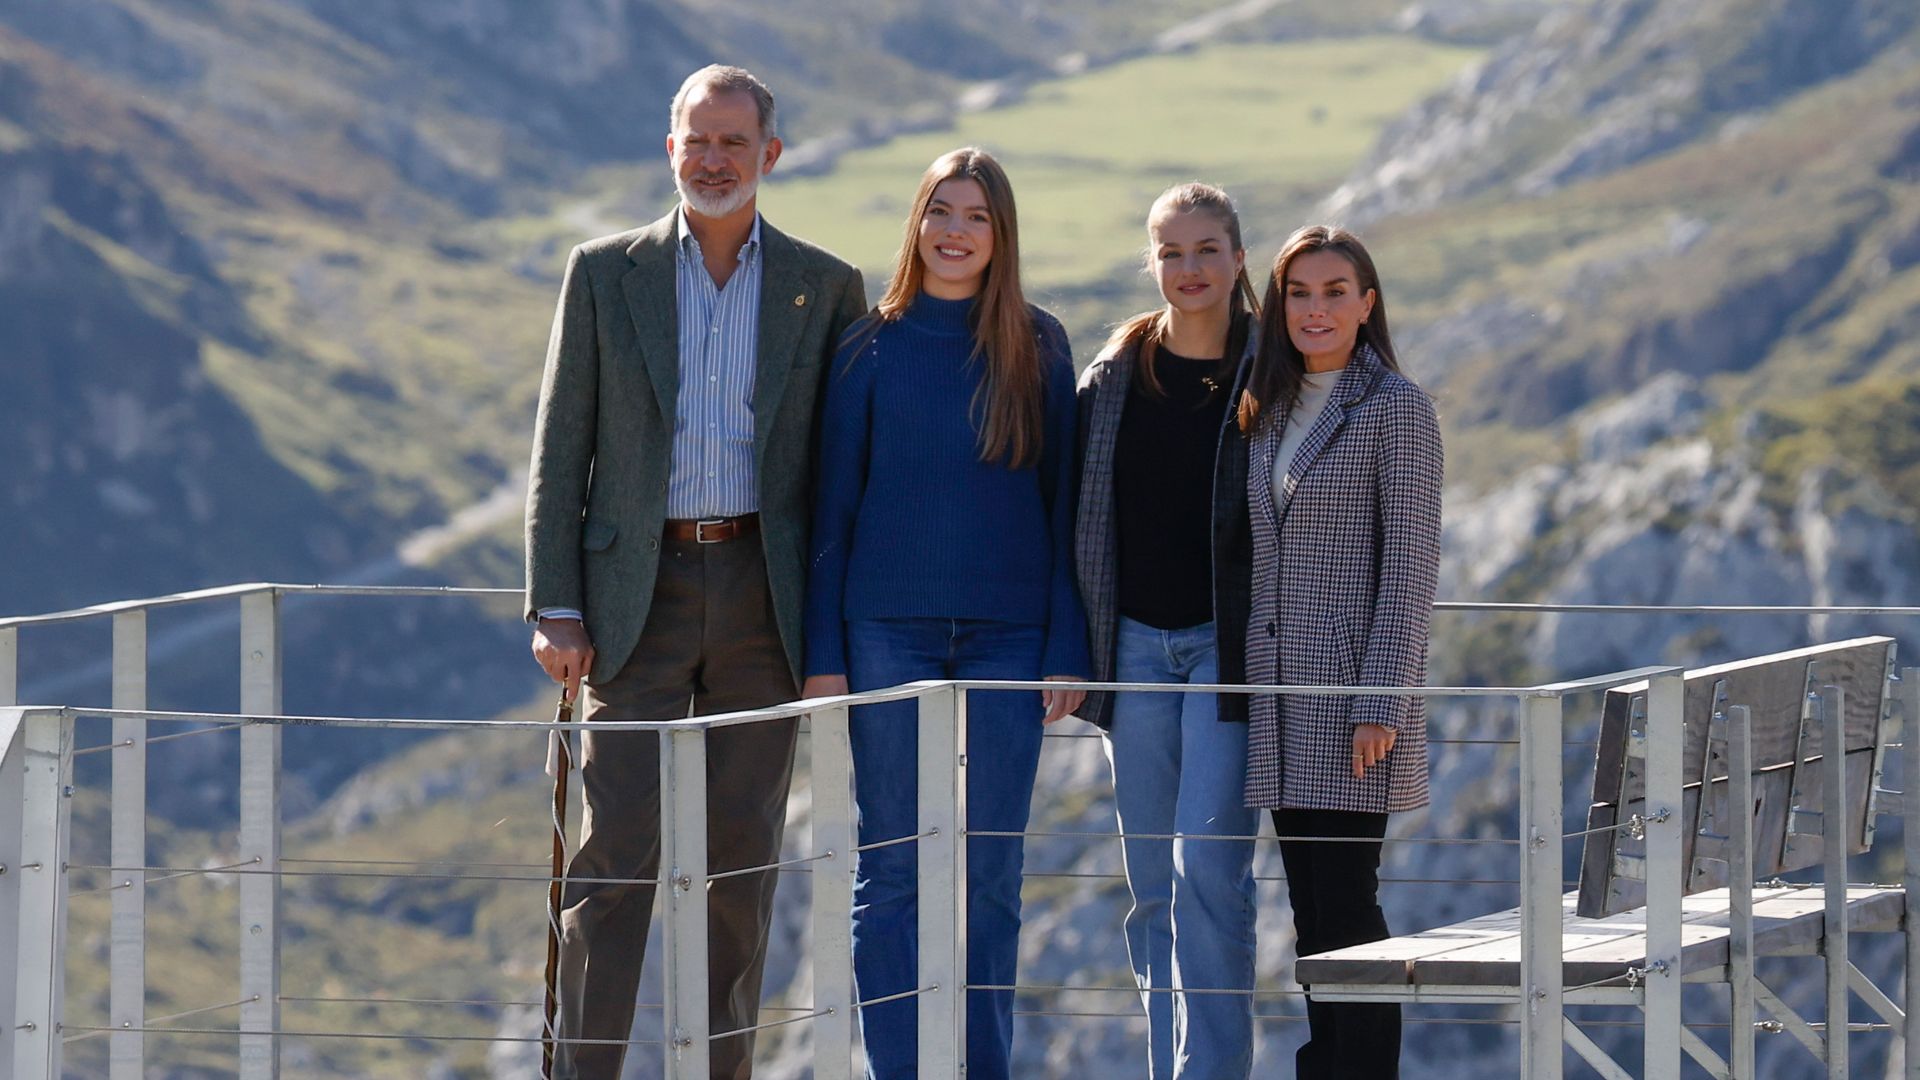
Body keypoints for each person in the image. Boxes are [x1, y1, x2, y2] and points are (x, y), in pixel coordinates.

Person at [523, 64, 867, 1080]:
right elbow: (559, 452)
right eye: (696, 140)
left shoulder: (825, 285)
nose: (713, 159)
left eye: (733, 141)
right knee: (612, 857)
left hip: (765, 597)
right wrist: (556, 604)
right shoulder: (603, 273)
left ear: (770, 154)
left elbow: (839, 470)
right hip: (635, 602)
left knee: (739, 862)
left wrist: (832, 629)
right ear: (668, 148)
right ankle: (584, 1070)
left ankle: (725, 1071)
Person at [799, 146, 1089, 1079]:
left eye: (976, 217)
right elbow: (831, 508)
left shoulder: (1039, 345)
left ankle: (983, 1067)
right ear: (916, 223)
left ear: (1001, 235)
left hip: (1011, 636)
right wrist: (824, 654)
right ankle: (897, 1068)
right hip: (886, 629)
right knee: (892, 868)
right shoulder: (865, 346)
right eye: (941, 212)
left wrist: (1066, 643)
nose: (955, 233)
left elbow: (1064, 506)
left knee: (992, 872)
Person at [1224, 225, 1442, 1078]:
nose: (1317, 310)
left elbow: (1411, 567)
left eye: (1335, 292)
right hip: (1281, 701)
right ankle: (1327, 1065)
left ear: (1367, 304)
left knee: (1350, 907)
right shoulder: (1267, 405)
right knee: (1312, 914)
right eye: (1300, 294)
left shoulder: (1396, 406)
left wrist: (1380, 702)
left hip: (1354, 705)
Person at [1073, 182, 1262, 1079]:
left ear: (1237, 258)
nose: (1189, 269)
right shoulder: (1113, 378)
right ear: (1152, 262)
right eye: (1171, 252)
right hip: (1138, 649)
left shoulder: (1279, 369)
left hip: (1231, 657)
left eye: (1207, 249)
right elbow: (1074, 518)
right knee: (1153, 888)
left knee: (1210, 880)